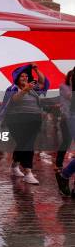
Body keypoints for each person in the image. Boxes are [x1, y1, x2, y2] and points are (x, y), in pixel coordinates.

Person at [0, 63, 48, 185]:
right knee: (27, 144)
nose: (25, 78)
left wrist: (36, 69)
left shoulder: (33, 87)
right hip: (17, 120)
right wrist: (25, 90)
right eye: (22, 76)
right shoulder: (13, 88)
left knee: (25, 143)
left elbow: (42, 82)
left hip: (34, 119)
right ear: (17, 78)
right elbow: (14, 100)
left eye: (26, 76)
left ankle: (15, 166)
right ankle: (28, 173)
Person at [55, 67, 75, 197]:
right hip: (69, 118)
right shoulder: (64, 87)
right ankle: (64, 174)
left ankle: (65, 176)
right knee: (66, 141)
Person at [56, 70, 73, 170]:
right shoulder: (63, 86)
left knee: (69, 141)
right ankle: (59, 162)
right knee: (66, 141)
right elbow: (70, 97)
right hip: (66, 118)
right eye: (72, 77)